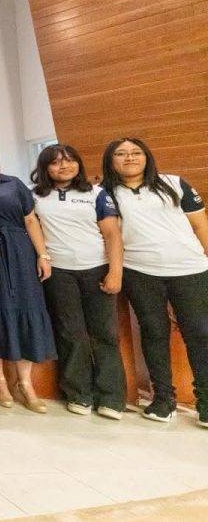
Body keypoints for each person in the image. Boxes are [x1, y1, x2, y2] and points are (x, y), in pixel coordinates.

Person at [101, 137, 208, 428]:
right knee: (153, 333)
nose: (130, 157)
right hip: (140, 271)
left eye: (136, 152)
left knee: (200, 334)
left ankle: (206, 401)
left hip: (190, 269)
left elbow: (201, 225)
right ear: (111, 161)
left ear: (146, 157)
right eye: (121, 154)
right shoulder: (104, 194)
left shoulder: (174, 183)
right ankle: (163, 400)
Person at [31, 144, 126, 419]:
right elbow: (32, 227)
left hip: (97, 269)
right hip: (59, 273)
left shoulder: (96, 193)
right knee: (70, 333)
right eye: (56, 162)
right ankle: (79, 394)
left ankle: (111, 398)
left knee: (105, 333)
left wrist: (115, 272)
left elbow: (112, 235)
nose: (64, 166)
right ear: (45, 168)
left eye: (70, 160)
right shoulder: (35, 196)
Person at [0, 136, 56, 413]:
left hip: (18, 251)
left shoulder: (13, 184)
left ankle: (25, 383)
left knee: (27, 307)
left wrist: (42, 255)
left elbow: (30, 220)